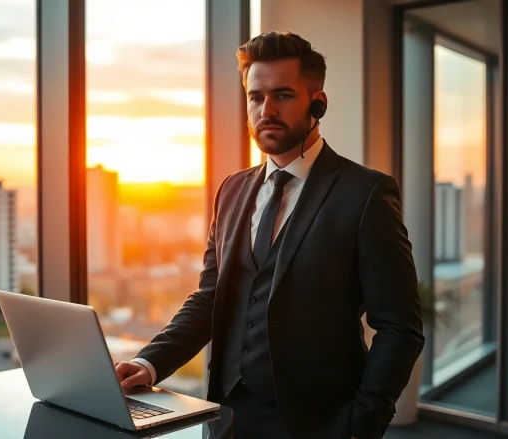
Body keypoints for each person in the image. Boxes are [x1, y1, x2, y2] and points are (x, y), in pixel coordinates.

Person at [114, 31, 425, 439]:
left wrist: (361, 424)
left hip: (319, 424)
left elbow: (400, 326)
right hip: (226, 416)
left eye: (282, 96)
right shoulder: (232, 190)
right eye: (256, 97)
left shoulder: (365, 193)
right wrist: (149, 363)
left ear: (318, 103)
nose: (266, 110)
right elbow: (211, 297)